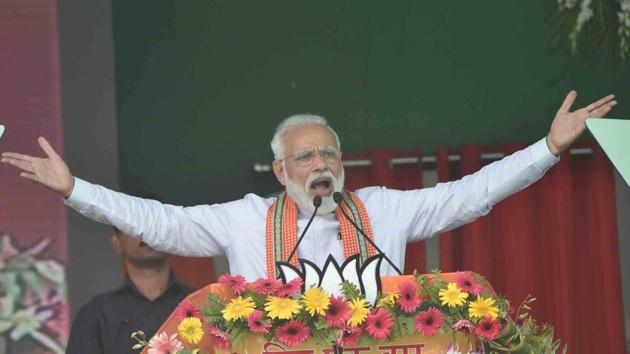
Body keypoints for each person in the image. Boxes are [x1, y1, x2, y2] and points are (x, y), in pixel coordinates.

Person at [1, 91, 617, 281]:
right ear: (280, 171)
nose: (319, 161)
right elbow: (158, 221)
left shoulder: (383, 208)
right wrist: (74, 188)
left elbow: (474, 192)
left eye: (328, 151)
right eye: (305, 155)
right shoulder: (243, 219)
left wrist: (551, 147)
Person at [66, 227, 193, 354]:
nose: (148, 233)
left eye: (154, 225)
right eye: (136, 225)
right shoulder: (96, 315)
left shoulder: (201, 303)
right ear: (116, 241)